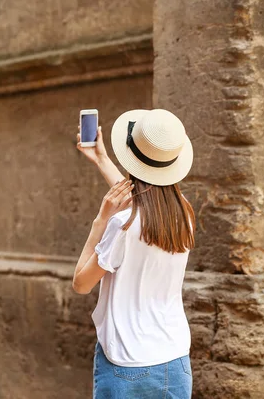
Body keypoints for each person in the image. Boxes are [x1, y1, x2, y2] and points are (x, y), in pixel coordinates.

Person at [73, 109, 195, 399]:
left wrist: (100, 221)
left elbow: (81, 284)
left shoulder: (121, 225)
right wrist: (102, 159)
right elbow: (143, 204)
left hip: (126, 364)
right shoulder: (183, 213)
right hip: (175, 360)